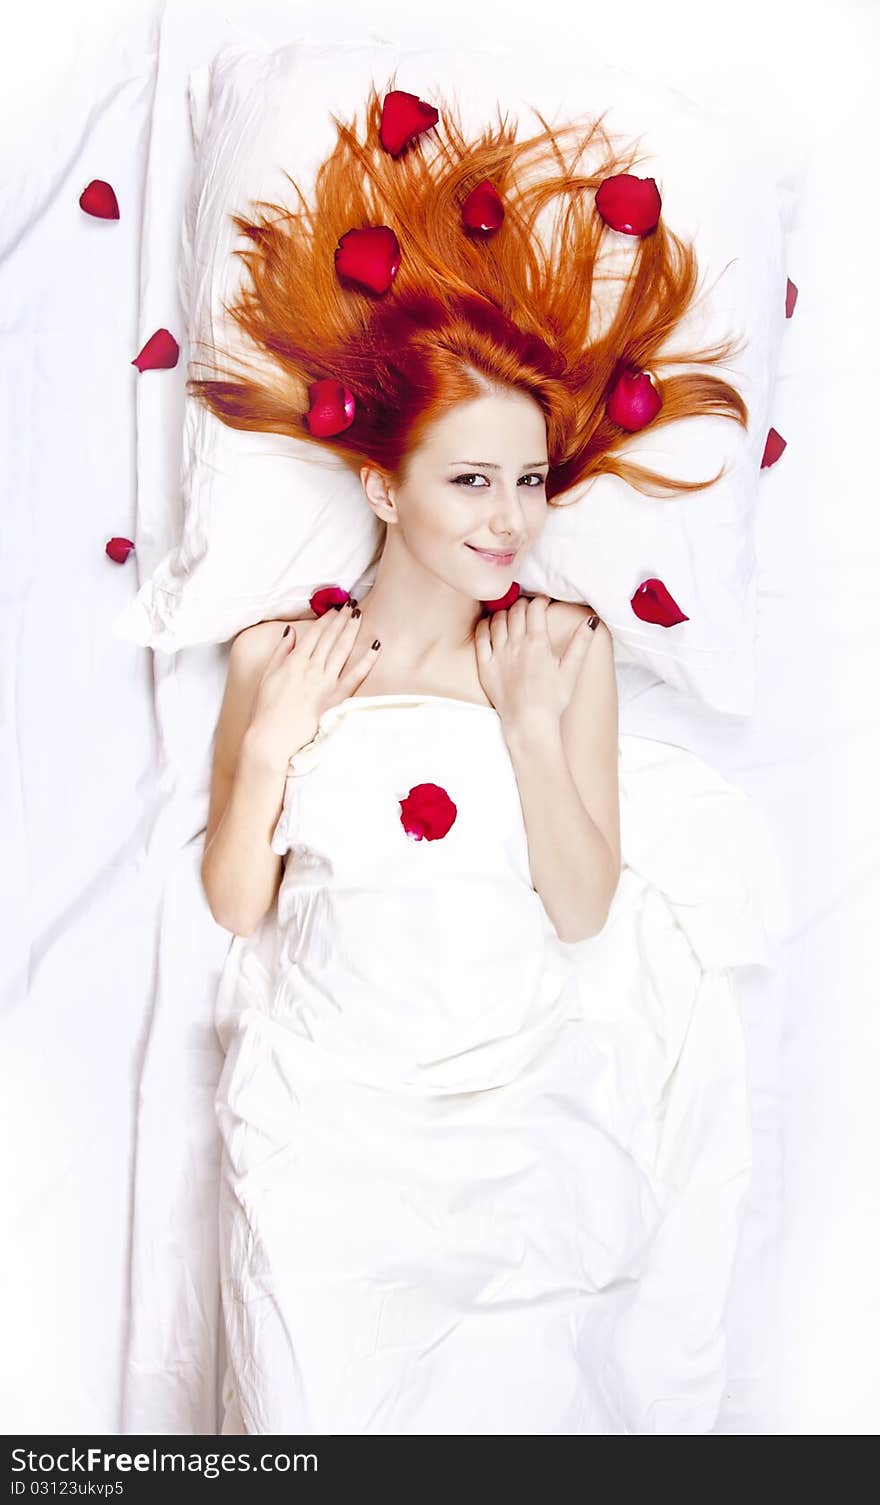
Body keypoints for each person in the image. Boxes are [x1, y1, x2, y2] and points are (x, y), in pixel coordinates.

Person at [192, 79, 748, 1433]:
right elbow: (237, 902)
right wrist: (270, 744)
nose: (513, 520)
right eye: (471, 480)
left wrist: (530, 726)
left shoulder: (564, 650)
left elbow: (581, 904)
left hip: (516, 1100)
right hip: (336, 1109)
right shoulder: (278, 659)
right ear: (383, 483)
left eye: (530, 479)